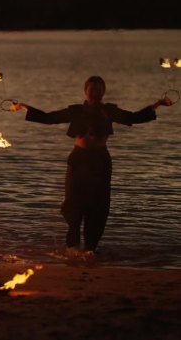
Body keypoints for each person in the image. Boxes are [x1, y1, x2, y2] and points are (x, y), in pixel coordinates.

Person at [12, 76, 173, 254]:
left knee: (99, 204)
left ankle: (90, 249)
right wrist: (24, 107)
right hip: (78, 159)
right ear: (85, 90)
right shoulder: (76, 111)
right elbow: (49, 118)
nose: (95, 91)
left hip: (100, 160)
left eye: (99, 88)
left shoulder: (109, 111)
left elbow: (133, 117)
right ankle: (72, 247)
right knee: (73, 202)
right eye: (92, 88)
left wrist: (158, 104)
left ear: (103, 91)